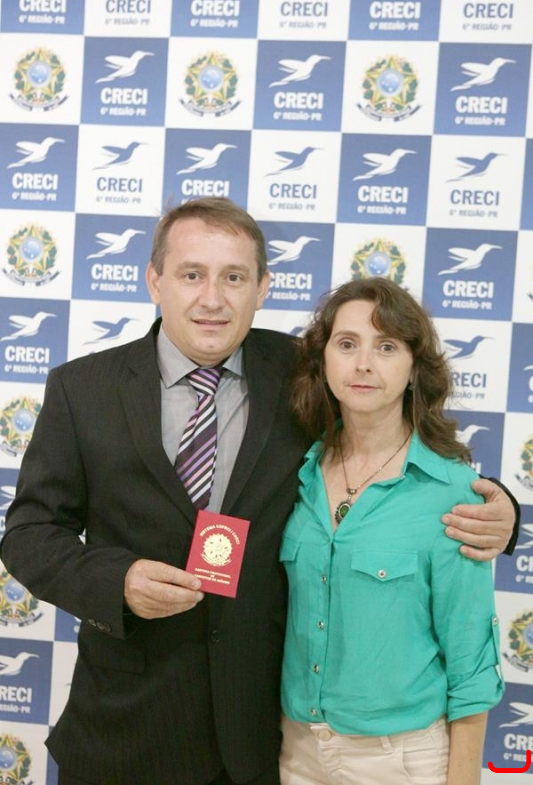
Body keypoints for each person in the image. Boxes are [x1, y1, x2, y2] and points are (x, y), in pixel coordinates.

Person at [0, 198, 517, 785]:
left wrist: (498, 506)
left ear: (263, 287)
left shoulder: (305, 371)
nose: (212, 299)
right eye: (191, 274)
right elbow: (29, 535)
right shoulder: (83, 389)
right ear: (155, 281)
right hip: (124, 730)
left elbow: (390, 443)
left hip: (256, 741)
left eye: (234, 277)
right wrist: (116, 582)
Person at [279, 278, 505, 785]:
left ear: (413, 368)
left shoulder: (449, 491)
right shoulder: (298, 471)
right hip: (297, 751)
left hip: (400, 760)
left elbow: (470, 661)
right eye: (347, 344)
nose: (363, 364)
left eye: (386, 347)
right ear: (323, 360)